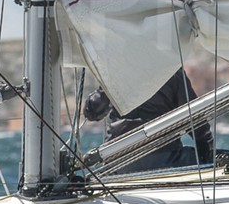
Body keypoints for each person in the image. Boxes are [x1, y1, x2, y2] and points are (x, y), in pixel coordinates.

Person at [83, 68, 214, 170]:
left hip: (117, 162)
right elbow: (194, 118)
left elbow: (92, 113)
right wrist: (207, 151)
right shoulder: (172, 71)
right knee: (216, 161)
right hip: (165, 160)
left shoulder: (117, 72)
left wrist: (103, 87)